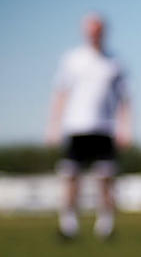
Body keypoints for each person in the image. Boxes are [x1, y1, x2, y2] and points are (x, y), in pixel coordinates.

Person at [45, 12, 133, 239]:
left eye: (98, 30)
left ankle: (106, 226)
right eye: (91, 30)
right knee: (70, 176)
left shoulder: (115, 62)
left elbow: (125, 99)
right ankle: (68, 226)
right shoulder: (72, 59)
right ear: (85, 32)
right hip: (76, 127)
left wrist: (125, 128)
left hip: (105, 128)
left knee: (105, 178)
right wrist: (53, 125)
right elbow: (60, 93)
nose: (94, 34)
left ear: (104, 32)